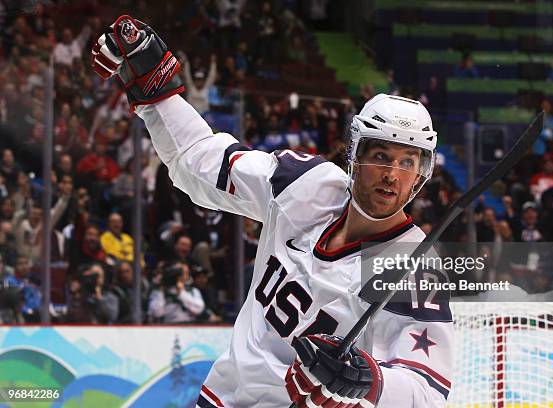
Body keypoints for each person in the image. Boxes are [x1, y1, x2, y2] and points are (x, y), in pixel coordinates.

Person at [92, 16, 452, 407]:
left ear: (421, 173)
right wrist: (158, 90)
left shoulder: (414, 267)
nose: (391, 174)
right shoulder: (305, 184)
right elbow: (195, 161)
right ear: (355, 155)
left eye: (407, 162)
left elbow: (428, 391)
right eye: (381, 155)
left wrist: (370, 380)